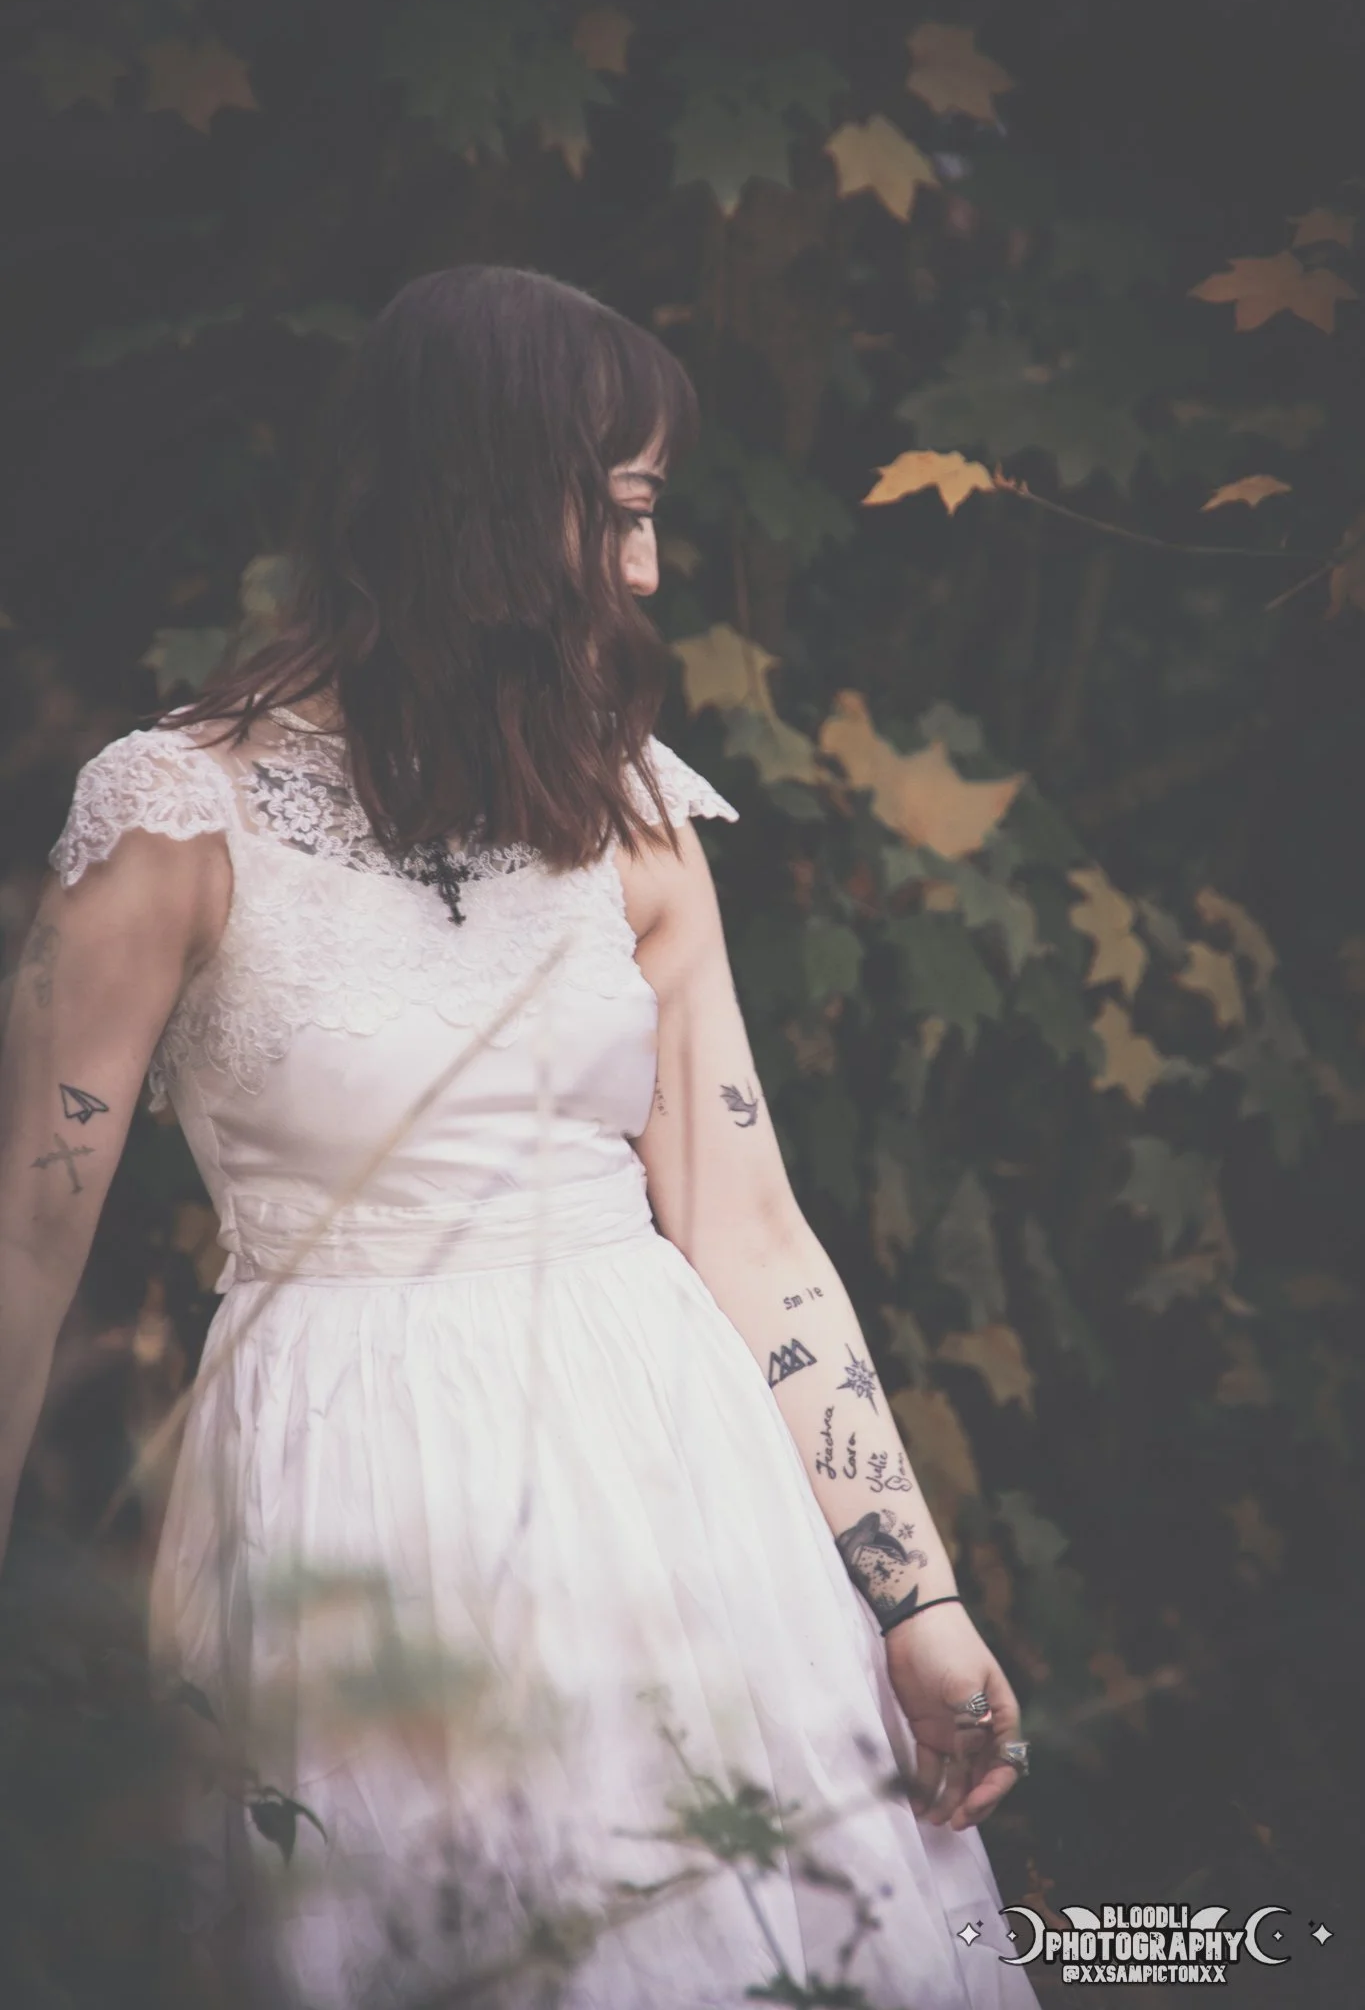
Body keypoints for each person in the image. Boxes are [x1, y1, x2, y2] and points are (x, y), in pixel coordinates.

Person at [0, 265, 1038, 2010]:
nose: (646, 569)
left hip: (676, 1489)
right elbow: (24, 1240)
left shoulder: (625, 810)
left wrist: (915, 1597)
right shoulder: (176, 815)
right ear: (485, 498)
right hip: (355, 1489)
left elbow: (748, 1224)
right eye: (620, 511)